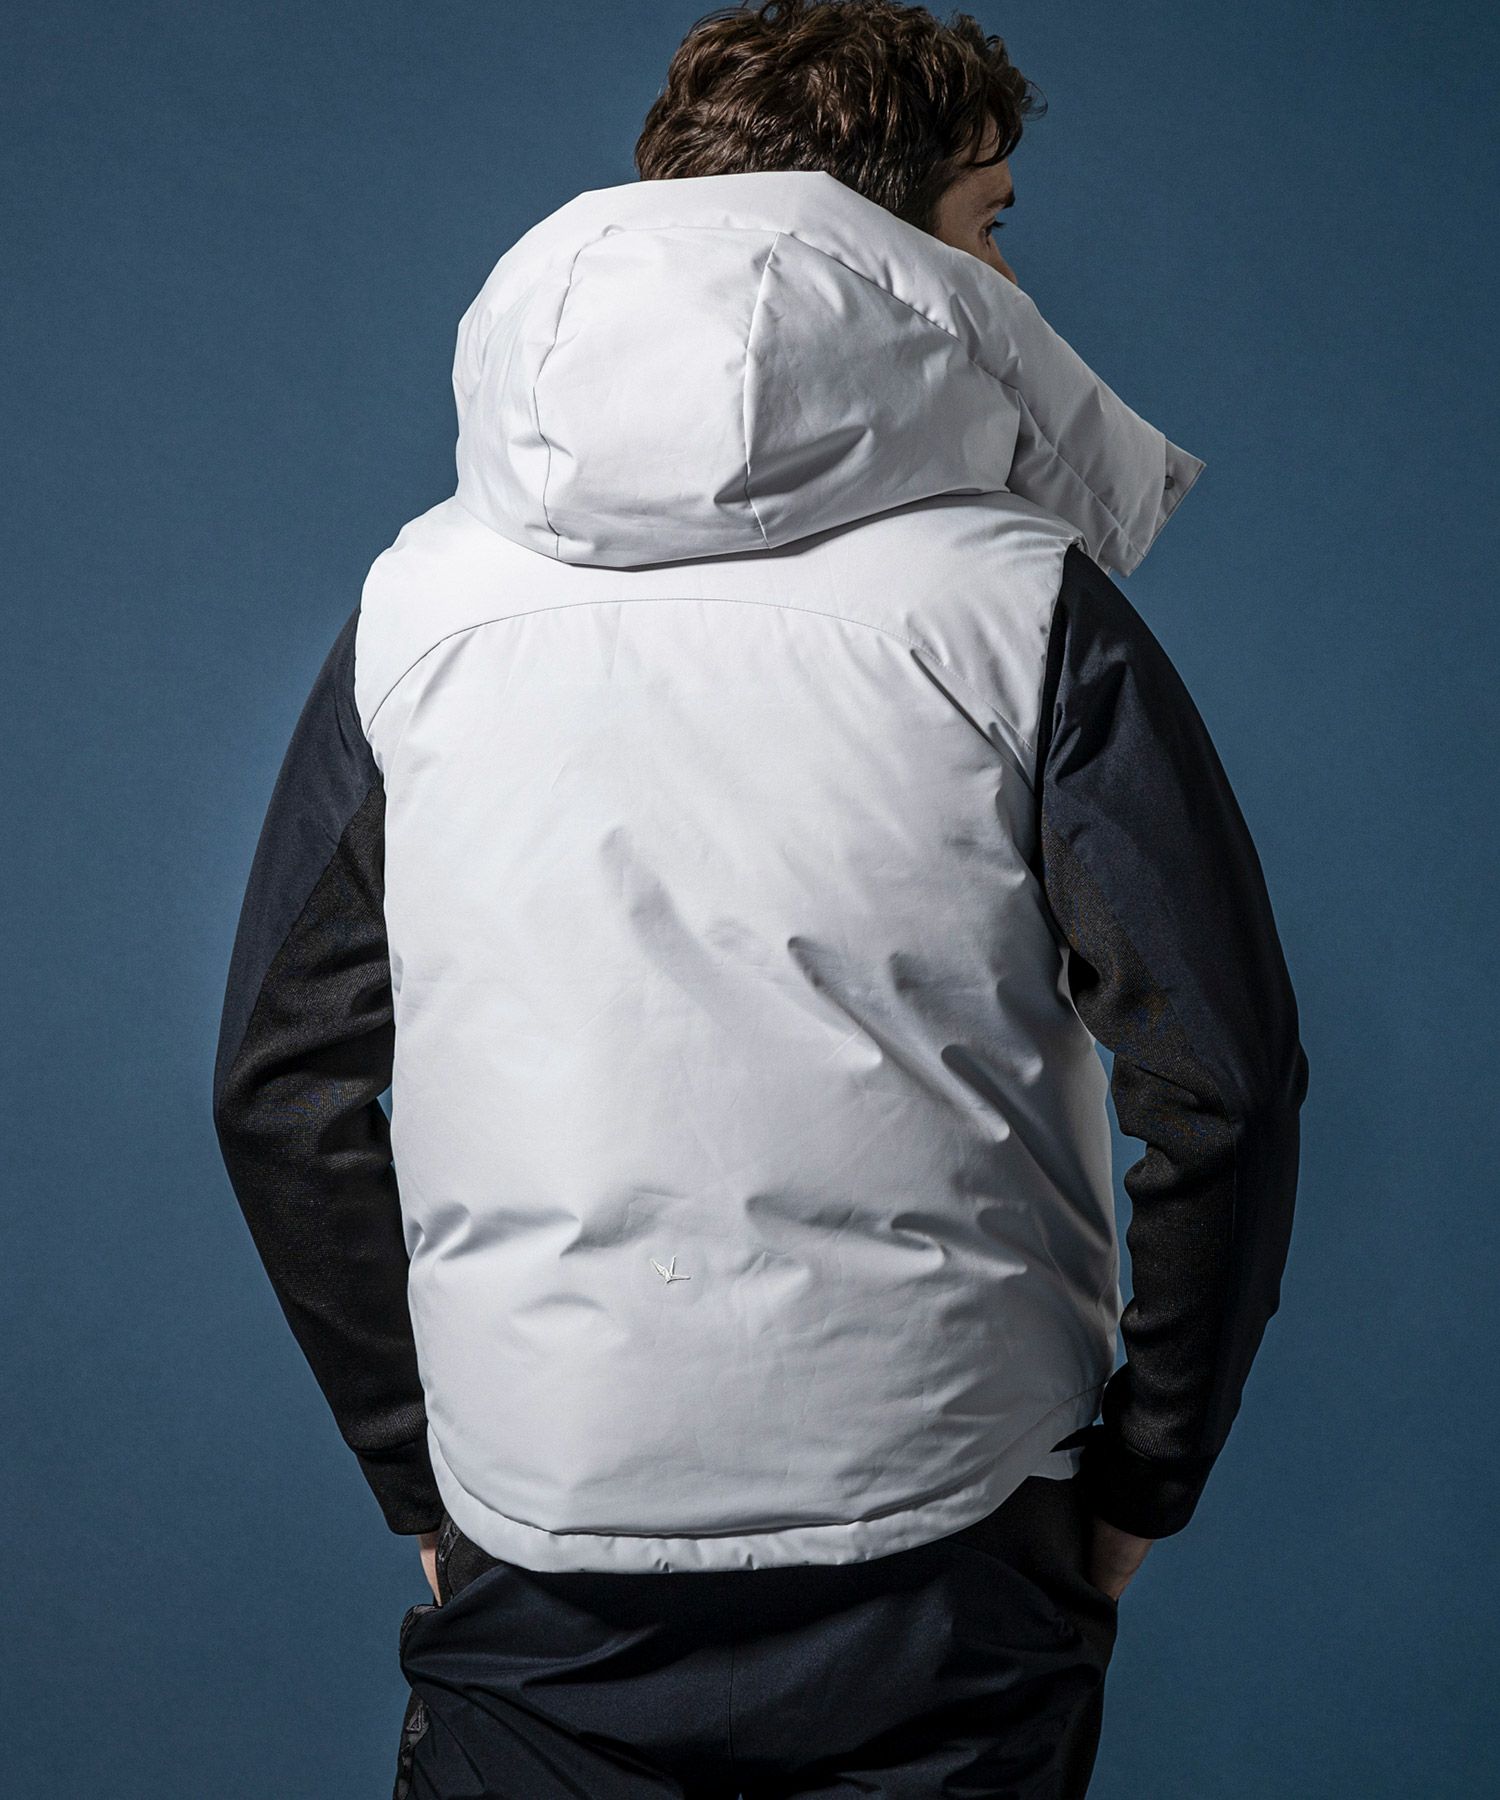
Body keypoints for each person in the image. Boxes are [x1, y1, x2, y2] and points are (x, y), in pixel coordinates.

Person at [211, 2, 1309, 1794]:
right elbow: (1225, 1083)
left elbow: (277, 1087)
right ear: (893, 257)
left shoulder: (414, 613)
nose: (1010, 279)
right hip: (952, 1532)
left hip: (544, 1533)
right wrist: (1146, 1482)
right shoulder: (1021, 609)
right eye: (988, 225)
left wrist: (424, 1473)